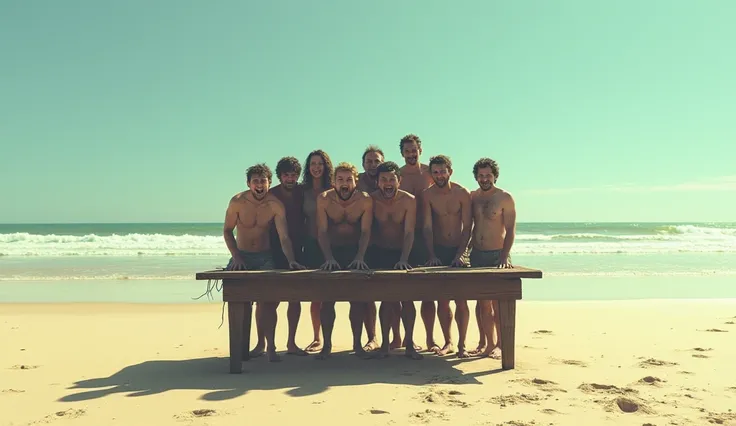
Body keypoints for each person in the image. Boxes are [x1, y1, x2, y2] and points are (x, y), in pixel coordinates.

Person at [223, 163, 306, 362]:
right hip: (241, 255)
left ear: (269, 183)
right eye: (255, 181)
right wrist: (236, 257)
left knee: (267, 301)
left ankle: (270, 347)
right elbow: (227, 231)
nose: (259, 185)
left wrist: (291, 260)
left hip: (264, 257)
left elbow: (284, 237)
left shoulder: (274, 205)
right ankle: (242, 348)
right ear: (249, 183)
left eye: (263, 181)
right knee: (237, 298)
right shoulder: (237, 202)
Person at [249, 157, 307, 358]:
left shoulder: (302, 191)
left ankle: (291, 343)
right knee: (266, 299)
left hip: (298, 247)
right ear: (279, 176)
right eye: (286, 175)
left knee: (295, 298)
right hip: (272, 248)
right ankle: (262, 343)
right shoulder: (271, 194)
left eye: (293, 175)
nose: (290, 178)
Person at [315, 162, 373, 360]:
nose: (344, 183)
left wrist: (360, 257)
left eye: (349, 179)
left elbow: (366, 231)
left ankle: (357, 344)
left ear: (356, 181)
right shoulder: (324, 199)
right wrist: (328, 257)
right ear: (333, 181)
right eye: (340, 179)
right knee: (327, 300)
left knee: (356, 300)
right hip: (331, 251)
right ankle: (327, 345)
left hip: (355, 251)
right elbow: (321, 231)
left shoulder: (364, 200)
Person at [368, 161, 422, 360]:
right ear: (377, 182)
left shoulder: (409, 200)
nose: (388, 183)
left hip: (405, 252)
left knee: (407, 298)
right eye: (383, 179)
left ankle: (409, 344)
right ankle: (384, 344)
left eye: (392, 179)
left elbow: (409, 232)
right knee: (387, 299)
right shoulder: (371, 200)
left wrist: (404, 258)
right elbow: (366, 231)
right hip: (381, 252)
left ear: (399, 181)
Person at [422, 155, 473, 357]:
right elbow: (427, 226)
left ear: (450, 171)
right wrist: (431, 254)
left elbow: (468, 226)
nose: (439, 175)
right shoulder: (428, 195)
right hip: (439, 249)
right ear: (431, 174)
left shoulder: (462, 193)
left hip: (458, 249)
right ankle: (448, 342)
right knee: (442, 300)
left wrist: (462, 253)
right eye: (435, 172)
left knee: (461, 299)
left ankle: (462, 344)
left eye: (442, 171)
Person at [468, 157, 516, 359]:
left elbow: (511, 230)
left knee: (498, 303)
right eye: (480, 175)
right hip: (477, 254)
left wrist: (504, 256)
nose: (484, 179)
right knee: (482, 303)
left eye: (488, 175)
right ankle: (487, 343)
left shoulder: (504, 197)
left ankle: (500, 344)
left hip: (497, 254)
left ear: (494, 176)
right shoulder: (473, 197)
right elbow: (468, 227)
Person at [356, 145, 401, 352]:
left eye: (377, 161)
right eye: (369, 161)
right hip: (369, 245)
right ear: (363, 164)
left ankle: (398, 337)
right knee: (368, 295)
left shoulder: (390, 178)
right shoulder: (356, 182)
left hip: (393, 245)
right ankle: (372, 337)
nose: (373, 165)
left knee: (396, 294)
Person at [396, 134, 437, 353]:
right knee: (400, 292)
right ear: (402, 153)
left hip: (425, 235)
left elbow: (447, 183)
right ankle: (400, 338)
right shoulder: (398, 175)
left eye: (414, 150)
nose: (411, 154)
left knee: (427, 292)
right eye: (407, 151)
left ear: (420, 150)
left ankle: (430, 338)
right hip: (401, 235)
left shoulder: (430, 172)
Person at [301, 150, 334, 353]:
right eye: (313, 163)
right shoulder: (302, 191)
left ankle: (329, 340)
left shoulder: (334, 188)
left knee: (330, 295)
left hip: (331, 244)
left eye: (320, 163)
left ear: (326, 166)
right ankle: (316, 337)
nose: (316, 167)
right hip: (311, 244)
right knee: (316, 296)